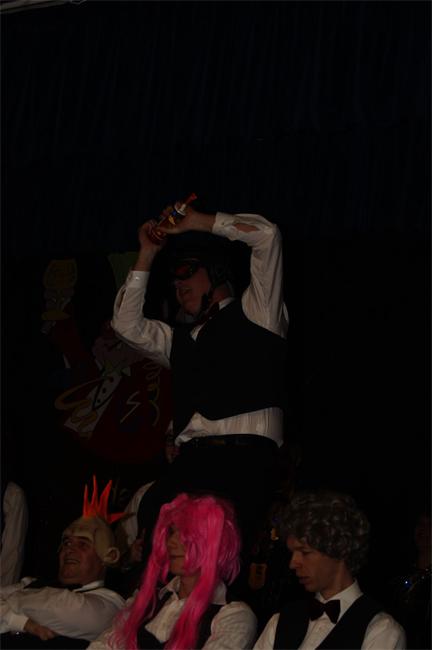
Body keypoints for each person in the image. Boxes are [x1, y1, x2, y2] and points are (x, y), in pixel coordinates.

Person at [111, 200, 288, 577]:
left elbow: (267, 235)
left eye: (187, 274)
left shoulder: (258, 312)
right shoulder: (177, 340)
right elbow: (125, 325)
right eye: (174, 283)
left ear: (217, 273)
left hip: (243, 458)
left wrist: (195, 222)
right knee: (153, 518)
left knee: (219, 555)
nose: (179, 288)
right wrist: (147, 252)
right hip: (193, 460)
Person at [88, 492, 257, 650]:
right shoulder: (146, 599)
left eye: (185, 534)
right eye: (171, 532)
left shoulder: (233, 616)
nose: (171, 542)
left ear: (213, 543)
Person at [253, 489, 406, 649]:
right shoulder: (280, 621)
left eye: (305, 552)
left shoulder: (380, 631)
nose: (293, 563)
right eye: (292, 553)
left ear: (340, 550)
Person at [0, 477, 125, 648]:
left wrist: (7, 603)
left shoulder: (110, 604)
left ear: (107, 556)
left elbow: (58, 607)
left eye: (83, 544)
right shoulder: (30, 583)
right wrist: (19, 621)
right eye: (66, 543)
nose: (69, 549)